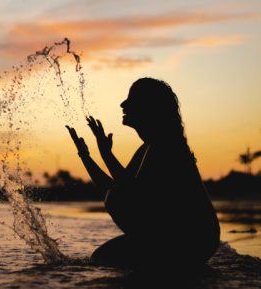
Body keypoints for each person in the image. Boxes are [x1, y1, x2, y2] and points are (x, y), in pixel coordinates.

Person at [66, 77, 220, 269]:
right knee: (101, 257)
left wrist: (106, 154)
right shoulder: (148, 146)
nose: (123, 104)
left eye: (131, 100)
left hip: (191, 243)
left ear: (149, 107)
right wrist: (86, 156)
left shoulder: (165, 145)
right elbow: (113, 188)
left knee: (106, 251)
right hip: (178, 241)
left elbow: (130, 192)